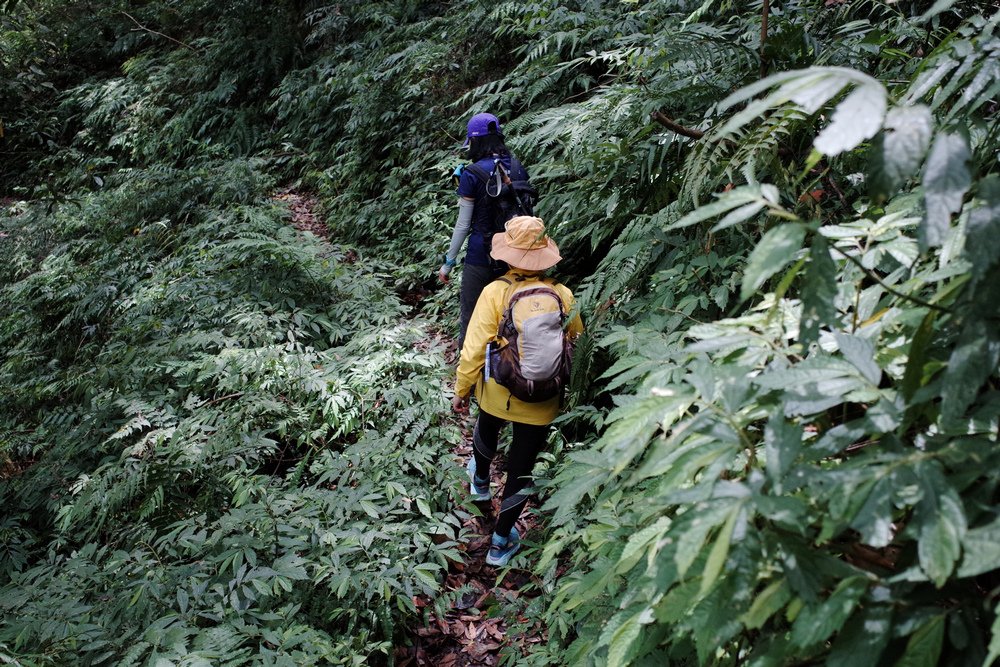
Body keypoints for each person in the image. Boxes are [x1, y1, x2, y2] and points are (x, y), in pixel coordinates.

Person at [451, 216, 584, 567]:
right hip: (543, 399)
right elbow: (575, 341)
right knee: (521, 469)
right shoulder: (562, 294)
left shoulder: (495, 292)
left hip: (498, 391)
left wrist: (462, 389)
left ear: (507, 255)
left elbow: (474, 347)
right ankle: (499, 544)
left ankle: (479, 482)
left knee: (487, 428)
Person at [439, 112, 532, 351]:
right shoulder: (518, 167)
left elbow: (463, 225)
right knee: (512, 319)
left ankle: (467, 382)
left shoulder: (471, 173)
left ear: (475, 141)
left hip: (482, 255)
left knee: (472, 319)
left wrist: (448, 263)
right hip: (516, 255)